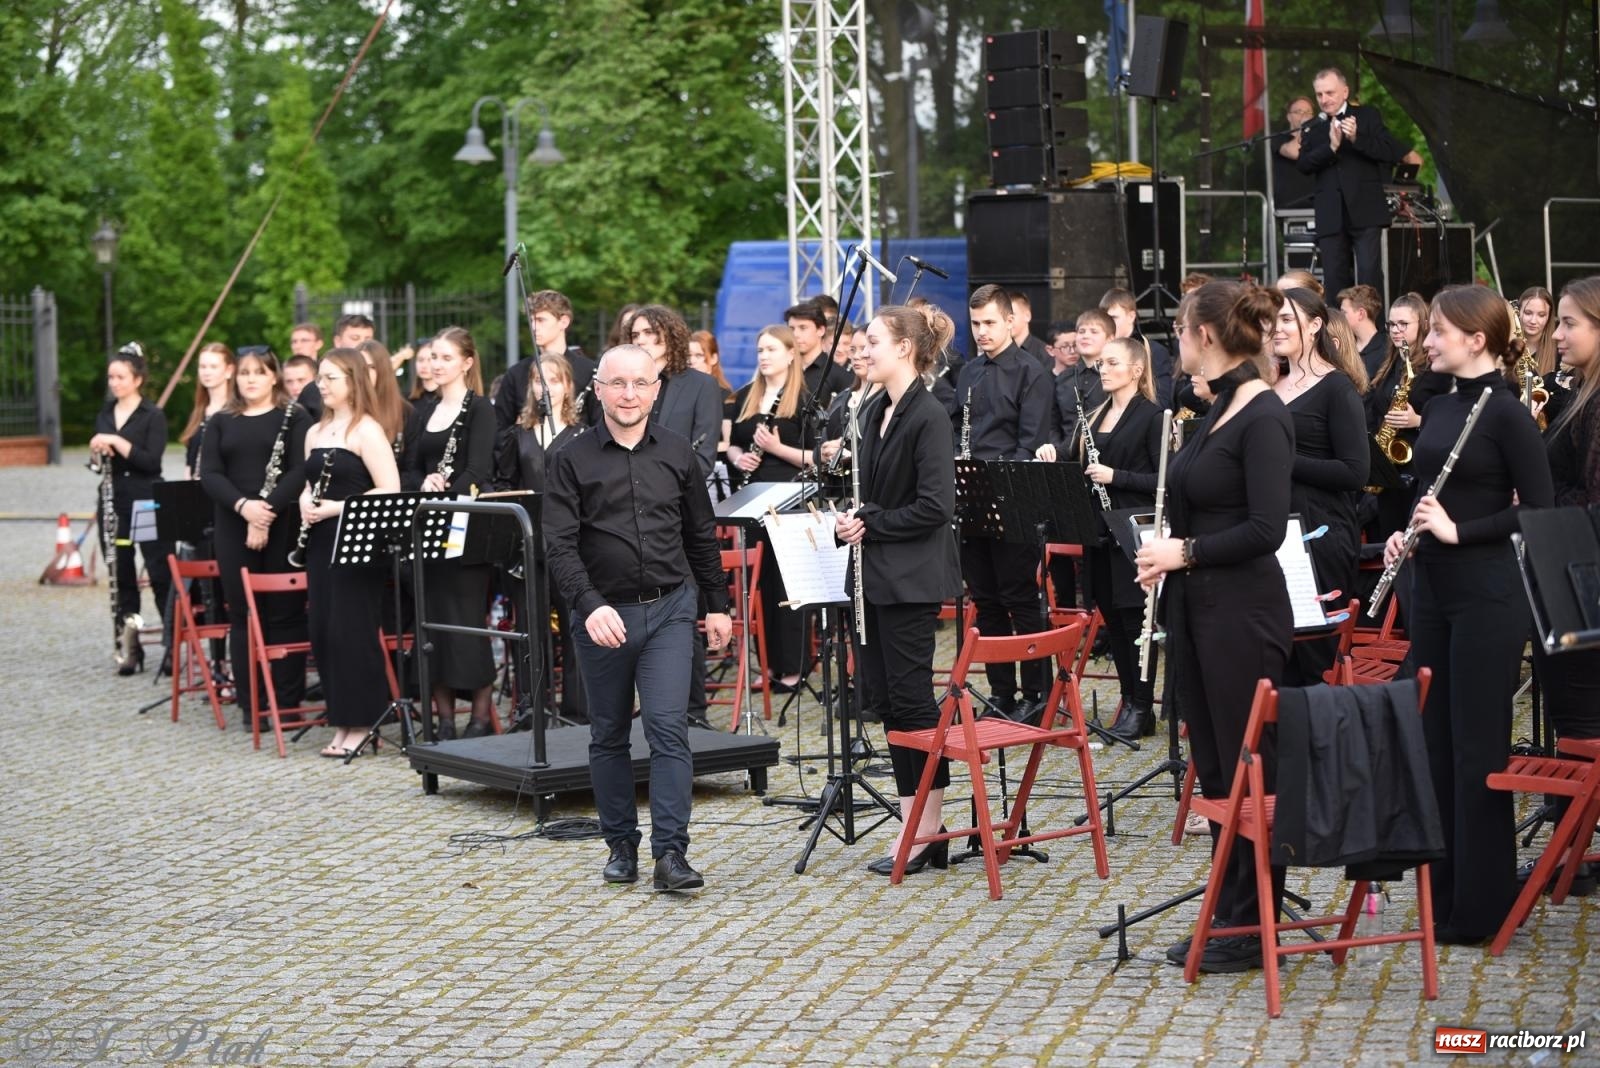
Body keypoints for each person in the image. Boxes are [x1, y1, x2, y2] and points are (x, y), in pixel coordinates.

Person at [1381, 285, 1553, 944]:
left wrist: (1460, 532)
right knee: (1434, 743)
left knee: (1476, 746)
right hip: (1435, 588)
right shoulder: (1443, 401)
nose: (1428, 341)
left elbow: (1537, 509)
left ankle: (1482, 906)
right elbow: (1434, 490)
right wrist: (1412, 533)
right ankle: (1444, 892)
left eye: (1440, 333)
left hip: (1488, 593)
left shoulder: (1506, 411)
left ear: (1477, 339)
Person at [1134, 281, 1294, 974]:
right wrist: (1166, 557)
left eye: (1179, 328)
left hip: (1242, 615)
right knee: (1220, 767)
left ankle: (1254, 924)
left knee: (1250, 767)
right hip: (1198, 610)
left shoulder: (1263, 415)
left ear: (1206, 335)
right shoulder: (1219, 405)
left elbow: (1265, 528)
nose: (1174, 340)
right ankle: (1229, 911)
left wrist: (1186, 552)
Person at [544, 344, 733, 892]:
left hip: (670, 609)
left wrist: (717, 606)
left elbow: (701, 537)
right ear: (597, 388)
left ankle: (670, 854)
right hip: (601, 614)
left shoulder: (678, 453)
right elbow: (558, 546)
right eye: (618, 383)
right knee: (607, 734)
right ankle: (620, 845)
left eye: (641, 383)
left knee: (669, 728)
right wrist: (590, 604)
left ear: (657, 389)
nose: (630, 394)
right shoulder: (569, 457)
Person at [834, 304, 962, 875]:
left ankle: (926, 830)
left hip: (909, 579)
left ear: (905, 349)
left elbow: (936, 507)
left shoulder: (928, 415)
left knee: (913, 705)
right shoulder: (876, 409)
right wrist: (853, 519)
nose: (865, 351)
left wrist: (873, 521)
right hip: (875, 576)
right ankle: (918, 826)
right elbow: (876, 496)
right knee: (888, 702)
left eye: (874, 342)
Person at [954, 285, 1052, 720]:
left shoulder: (1032, 372)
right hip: (972, 497)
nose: (981, 332)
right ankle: (1002, 692)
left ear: (1010, 321)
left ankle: (1037, 693)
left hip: (1012, 498)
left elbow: (1028, 443)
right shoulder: (968, 373)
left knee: (1021, 598)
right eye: (975, 324)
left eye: (990, 322)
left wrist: (996, 487)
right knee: (987, 600)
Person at [1531, 276, 1600, 892]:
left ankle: (1575, 848)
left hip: (1583, 584)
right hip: (1569, 577)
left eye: (1570, 322)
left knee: (1583, 722)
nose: (1557, 333)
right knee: (1576, 719)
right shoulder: (1580, 392)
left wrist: (1541, 503)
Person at [199, 348, 310, 726]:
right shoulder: (220, 421)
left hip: (283, 522)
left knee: (286, 613)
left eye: (259, 373)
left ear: (274, 377)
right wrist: (245, 507)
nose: (250, 379)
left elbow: (300, 471)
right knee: (244, 614)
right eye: (244, 373)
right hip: (233, 524)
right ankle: (254, 706)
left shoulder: (295, 416)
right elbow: (211, 474)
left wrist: (265, 513)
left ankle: (287, 701)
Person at [301, 349, 401, 758]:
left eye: (330, 378)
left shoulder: (367, 430)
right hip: (321, 541)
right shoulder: (315, 432)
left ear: (352, 382)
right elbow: (309, 483)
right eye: (320, 378)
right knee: (323, 631)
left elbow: (389, 489)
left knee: (352, 632)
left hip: (358, 541)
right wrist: (306, 502)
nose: (321, 385)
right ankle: (341, 720)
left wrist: (336, 507)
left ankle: (362, 723)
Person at [400, 327, 498, 739]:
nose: (435, 364)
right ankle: (442, 720)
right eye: (432, 357)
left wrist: (448, 491)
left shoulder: (481, 410)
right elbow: (408, 467)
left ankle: (479, 718)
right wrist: (423, 484)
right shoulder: (424, 411)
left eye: (444, 357)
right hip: (428, 527)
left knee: (466, 620)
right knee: (433, 623)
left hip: (465, 528)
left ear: (467, 362)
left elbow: (479, 469)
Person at [1270, 288, 1370, 683]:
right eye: (1273, 320)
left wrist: (1283, 462)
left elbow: (1355, 472)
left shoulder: (1336, 387)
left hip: (1319, 533)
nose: (1277, 328)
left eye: (1287, 319)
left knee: (1312, 658)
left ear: (1314, 326)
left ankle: (1318, 741)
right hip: (1274, 530)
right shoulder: (1271, 383)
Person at [1073, 338, 1166, 740]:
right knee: (1113, 620)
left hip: (1133, 533)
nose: (1103, 369)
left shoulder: (1152, 416)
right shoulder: (1094, 417)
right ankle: (1129, 702)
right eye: (1101, 364)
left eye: (1112, 363)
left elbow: (1164, 480)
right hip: (1099, 534)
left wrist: (1117, 477)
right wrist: (1052, 453)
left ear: (1137, 369)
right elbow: (1075, 461)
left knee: (1135, 623)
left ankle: (1143, 705)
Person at [494, 353, 587, 721]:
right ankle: (533, 710)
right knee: (530, 630)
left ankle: (580, 709)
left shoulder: (585, 436)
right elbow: (502, 485)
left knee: (576, 629)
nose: (544, 386)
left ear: (567, 386)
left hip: (573, 550)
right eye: (537, 379)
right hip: (528, 547)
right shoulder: (516, 436)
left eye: (553, 379)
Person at [727, 325, 812, 693]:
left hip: (790, 501)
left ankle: (793, 667)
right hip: (753, 501)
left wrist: (777, 450)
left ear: (791, 354)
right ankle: (768, 665)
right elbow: (730, 445)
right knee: (758, 585)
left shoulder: (806, 400)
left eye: (772, 349)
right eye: (760, 349)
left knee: (786, 586)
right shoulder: (747, 395)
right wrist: (738, 458)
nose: (764, 356)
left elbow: (815, 458)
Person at [89, 343, 176, 675]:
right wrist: (97, 452)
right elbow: (99, 466)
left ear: (137, 379)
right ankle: (130, 646)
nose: (114, 383)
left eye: (121, 377)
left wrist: (115, 442)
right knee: (121, 574)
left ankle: (171, 645)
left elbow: (149, 460)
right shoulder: (105, 413)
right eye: (111, 377)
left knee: (159, 573)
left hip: (148, 501)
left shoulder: (152, 415)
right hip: (114, 503)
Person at [1296, 67, 1416, 300]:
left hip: (1365, 208)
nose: (1324, 99)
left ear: (1344, 91)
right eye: (1319, 94)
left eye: (1330, 93)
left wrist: (1355, 139)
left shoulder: (1368, 116)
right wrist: (1330, 148)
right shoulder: (1312, 126)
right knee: (1333, 276)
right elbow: (1303, 165)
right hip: (1330, 212)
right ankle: (1337, 333)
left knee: (1369, 274)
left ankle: (1376, 333)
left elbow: (1389, 152)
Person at [626, 305, 721, 477]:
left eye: (649, 332)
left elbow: (704, 458)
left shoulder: (702, 385)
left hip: (675, 493)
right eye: (635, 335)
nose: (640, 340)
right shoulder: (626, 384)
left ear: (670, 335)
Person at [493, 290, 596, 432]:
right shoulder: (516, 374)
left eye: (541, 320)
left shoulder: (589, 371)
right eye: (531, 320)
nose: (534, 327)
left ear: (563, 322)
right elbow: (499, 430)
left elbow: (599, 428)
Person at [1043, 308, 1113, 459]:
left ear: (1110, 339)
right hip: (1067, 460)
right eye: (1081, 331)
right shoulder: (1063, 379)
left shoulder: (1115, 377)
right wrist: (1058, 451)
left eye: (1094, 331)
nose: (1086, 336)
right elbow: (1052, 424)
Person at [294, 314, 376, 421]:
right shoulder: (313, 392)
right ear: (338, 341)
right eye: (355, 338)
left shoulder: (378, 384)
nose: (362, 344)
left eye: (368, 339)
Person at [1101, 288, 1175, 407]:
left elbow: (1161, 402)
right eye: (1105, 319)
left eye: (1114, 318)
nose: (1108, 324)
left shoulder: (1153, 351)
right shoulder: (1100, 350)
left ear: (1131, 316)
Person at [179, 342, 237, 480]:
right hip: (196, 490)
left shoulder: (237, 412)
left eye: (213, 367)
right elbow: (190, 461)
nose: (207, 372)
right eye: (202, 366)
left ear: (229, 371)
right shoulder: (198, 412)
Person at [787, 300, 852, 409]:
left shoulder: (838, 375)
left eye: (803, 328)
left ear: (821, 330)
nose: (795, 334)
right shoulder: (783, 369)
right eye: (791, 329)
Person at [1272, 95, 1319, 211]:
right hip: (1289, 206)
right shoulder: (1279, 138)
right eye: (1299, 112)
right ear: (1289, 117)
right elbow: (1294, 152)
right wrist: (1304, 127)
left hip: (1317, 204)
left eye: (1308, 112)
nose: (1305, 115)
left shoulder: (1318, 140)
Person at [1337, 284, 1388, 378]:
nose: (1340, 317)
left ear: (1361, 314)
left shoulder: (1387, 349)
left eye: (1344, 313)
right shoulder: (1343, 346)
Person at [1007, 290, 1054, 372]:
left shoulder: (1044, 354)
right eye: (1004, 316)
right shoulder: (999, 351)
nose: (1007, 321)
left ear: (1027, 316)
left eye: (1012, 315)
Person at [1517, 286, 1558, 376]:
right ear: (1518, 312)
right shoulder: (1504, 347)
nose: (1533, 321)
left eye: (1541, 315)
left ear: (1549, 317)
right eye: (1528, 313)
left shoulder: (1560, 352)